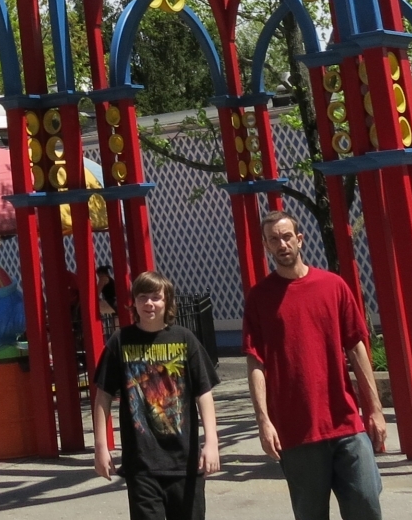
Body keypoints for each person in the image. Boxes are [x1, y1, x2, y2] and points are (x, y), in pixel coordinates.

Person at [243, 210, 387, 520]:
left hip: (345, 421)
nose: (282, 244)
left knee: (366, 502)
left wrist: (375, 409)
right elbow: (256, 362)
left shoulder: (333, 286)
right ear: (266, 246)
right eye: (273, 239)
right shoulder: (259, 298)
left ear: (300, 239)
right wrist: (263, 420)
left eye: (286, 237)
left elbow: (357, 349)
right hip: (296, 430)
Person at [91, 271, 220, 520]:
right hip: (141, 464)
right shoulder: (120, 341)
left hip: (185, 462)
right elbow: (103, 395)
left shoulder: (185, 339)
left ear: (167, 301)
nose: (149, 303)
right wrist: (101, 447)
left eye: (156, 297)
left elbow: (203, 394)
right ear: (134, 302)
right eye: (142, 297)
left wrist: (212, 442)